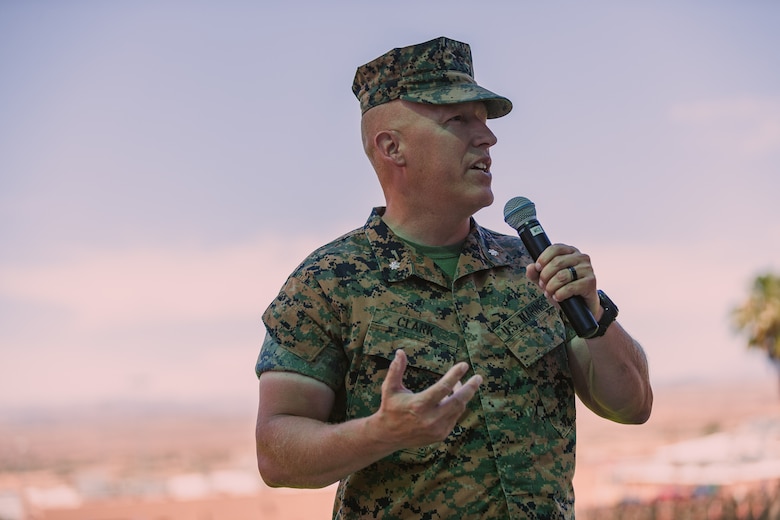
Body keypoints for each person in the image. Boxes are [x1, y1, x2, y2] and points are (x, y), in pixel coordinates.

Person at [254, 36, 653, 519]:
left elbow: (632, 405)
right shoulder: (328, 282)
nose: (487, 138)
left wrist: (594, 314)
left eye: (483, 122)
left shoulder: (533, 269)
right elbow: (276, 453)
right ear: (392, 147)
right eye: (458, 120)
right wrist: (381, 433)